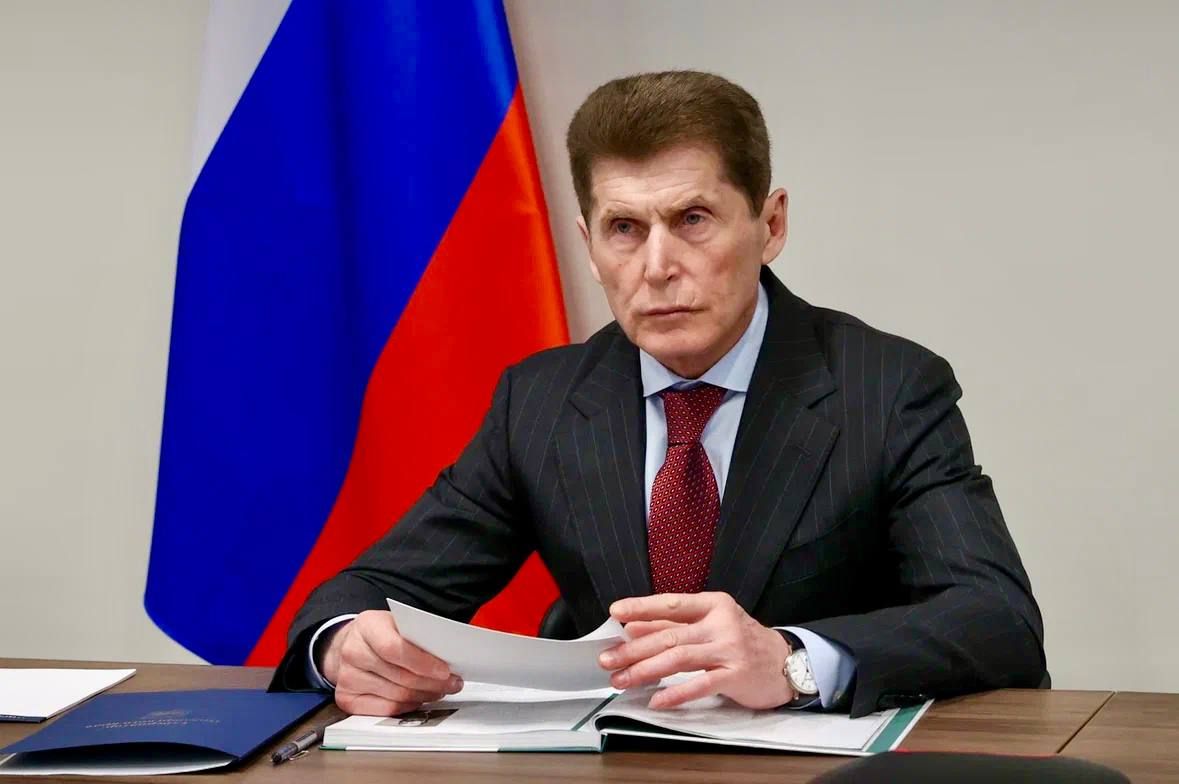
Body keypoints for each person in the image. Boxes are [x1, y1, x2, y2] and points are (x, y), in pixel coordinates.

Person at [270, 70, 1046, 719]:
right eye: (625, 229)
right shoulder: (539, 402)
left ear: (770, 224)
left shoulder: (886, 388)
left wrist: (790, 661)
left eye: (692, 219)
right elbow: (374, 589)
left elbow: (996, 618)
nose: (657, 265)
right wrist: (344, 645)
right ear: (589, 246)